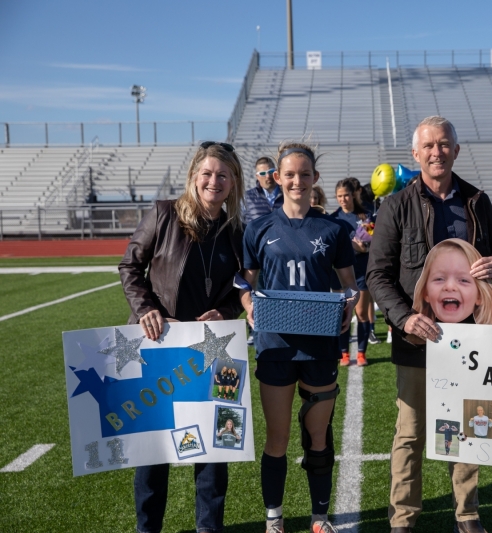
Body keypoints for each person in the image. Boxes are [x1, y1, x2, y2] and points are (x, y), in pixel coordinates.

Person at [367, 116, 492, 533]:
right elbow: (377, 275)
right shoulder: (395, 205)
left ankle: (467, 515)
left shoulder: (477, 201)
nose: (436, 152)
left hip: (470, 338)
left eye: (444, 144)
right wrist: (404, 317)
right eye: (428, 146)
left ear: (456, 150)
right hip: (417, 336)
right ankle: (404, 519)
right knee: (410, 433)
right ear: (415, 154)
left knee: (468, 426)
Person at [118, 140, 245, 533]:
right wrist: (146, 309)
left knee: (213, 449)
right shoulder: (163, 214)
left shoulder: (236, 230)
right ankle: (147, 528)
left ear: (233, 182)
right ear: (193, 176)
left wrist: (224, 312)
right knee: (154, 452)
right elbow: (130, 267)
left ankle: (209, 527)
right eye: (207, 173)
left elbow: (240, 288)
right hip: (160, 349)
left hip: (213, 350)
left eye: (223, 175)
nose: (214, 181)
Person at [239, 141, 359, 533]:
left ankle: (319, 517)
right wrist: (247, 302)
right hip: (274, 345)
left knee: (318, 435)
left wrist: (349, 303)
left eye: (304, 174)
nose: (296, 181)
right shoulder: (258, 228)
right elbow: (246, 280)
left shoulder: (334, 229)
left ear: (314, 179)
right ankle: (274, 518)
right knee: (277, 438)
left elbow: (348, 283)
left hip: (319, 343)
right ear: (277, 178)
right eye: (289, 174)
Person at [332, 178, 375, 367]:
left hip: (361, 271)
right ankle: (343, 354)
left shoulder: (365, 216)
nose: (343, 199)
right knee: (342, 313)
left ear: (353, 195)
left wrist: (356, 246)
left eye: (346, 195)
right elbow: (335, 248)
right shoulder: (333, 219)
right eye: (339, 196)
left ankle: (361, 353)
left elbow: (367, 247)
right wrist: (352, 245)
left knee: (361, 313)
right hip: (341, 275)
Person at [245, 156, 283, 224]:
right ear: (257, 177)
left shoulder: (287, 195)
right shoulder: (247, 197)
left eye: (271, 171)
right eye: (263, 173)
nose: (268, 176)